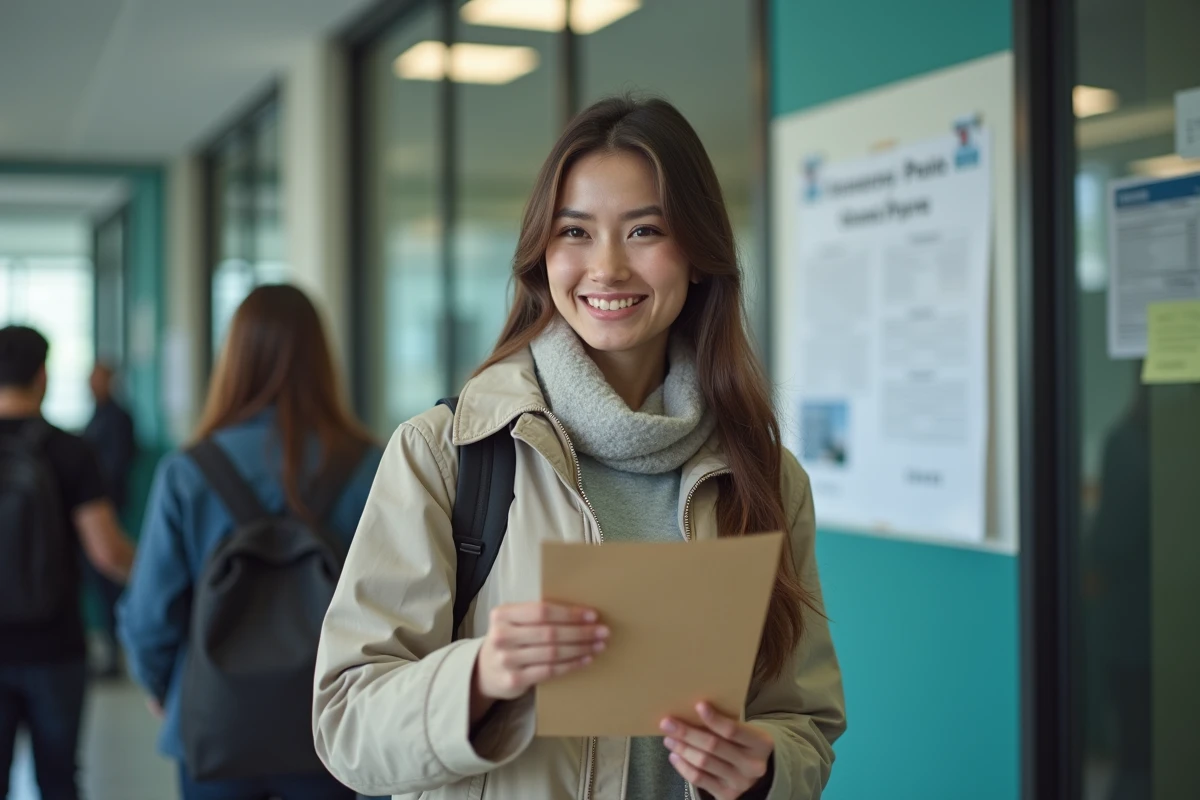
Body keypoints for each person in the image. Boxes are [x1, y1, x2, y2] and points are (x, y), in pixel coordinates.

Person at [313, 96, 846, 800]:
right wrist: (479, 679)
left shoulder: (764, 475)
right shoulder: (446, 453)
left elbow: (803, 719)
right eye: (576, 232)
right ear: (543, 254)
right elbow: (345, 723)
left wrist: (766, 766)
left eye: (645, 230)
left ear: (698, 254)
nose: (608, 267)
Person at [118, 285, 383, 800]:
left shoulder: (189, 471)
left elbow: (152, 609)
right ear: (322, 360)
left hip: (214, 722)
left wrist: (160, 686)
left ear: (233, 359)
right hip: (332, 724)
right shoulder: (369, 466)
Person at [0, 325, 136, 800]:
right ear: (42, 375)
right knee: (58, 780)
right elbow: (108, 552)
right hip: (54, 645)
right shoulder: (70, 451)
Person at [82, 362, 137, 677]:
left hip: (107, 508)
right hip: (98, 507)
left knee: (108, 578)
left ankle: (115, 654)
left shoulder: (117, 417)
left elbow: (117, 463)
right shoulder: (99, 413)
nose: (91, 384)